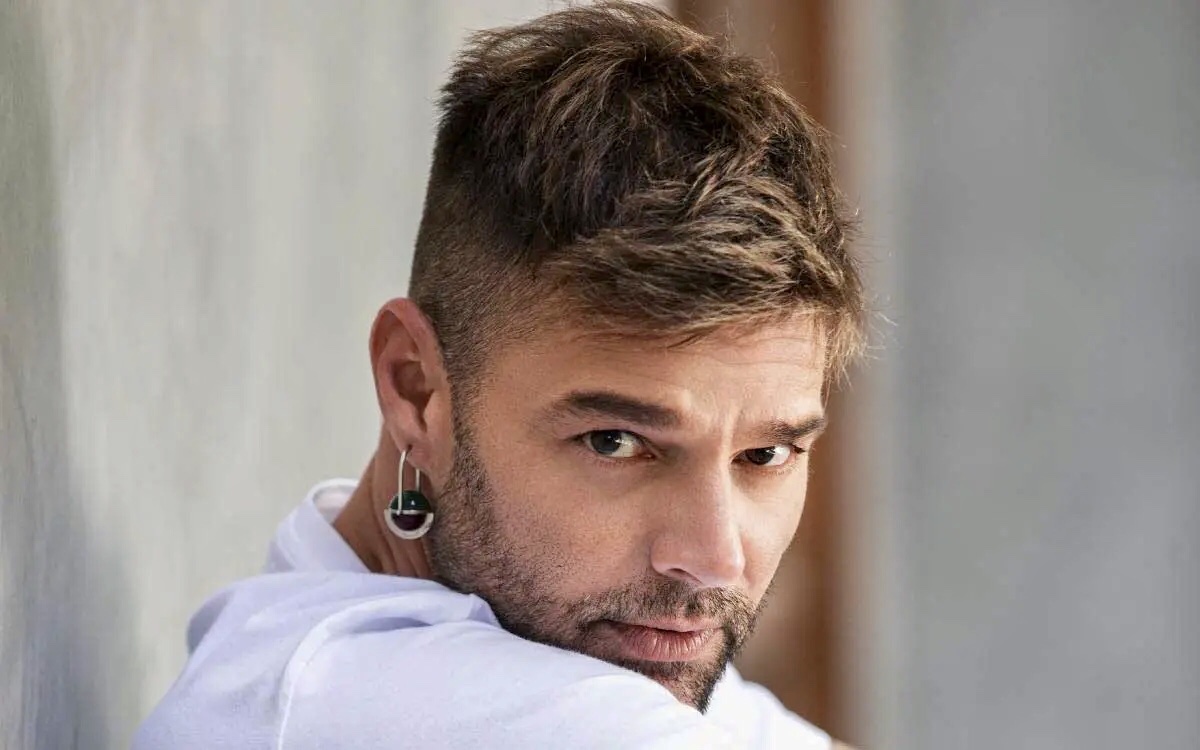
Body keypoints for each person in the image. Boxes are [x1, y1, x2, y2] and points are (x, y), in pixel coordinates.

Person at [133, 2, 864, 748]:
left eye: (766, 455)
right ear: (416, 388)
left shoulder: (578, 638)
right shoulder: (364, 700)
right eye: (615, 441)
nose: (715, 560)